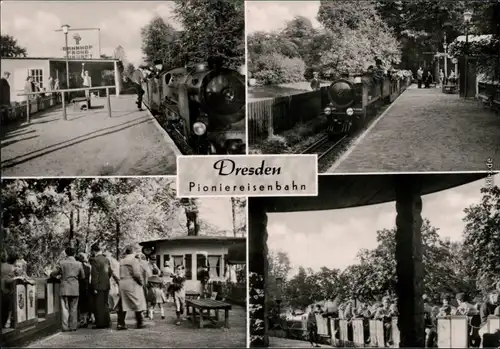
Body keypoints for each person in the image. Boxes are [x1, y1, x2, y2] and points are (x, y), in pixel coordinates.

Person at [50, 246, 85, 332]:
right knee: (74, 308)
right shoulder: (79, 264)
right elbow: (83, 276)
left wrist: (58, 277)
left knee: (65, 308)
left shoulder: (61, 263)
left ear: (66, 253)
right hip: (74, 288)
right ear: (74, 254)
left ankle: (65, 327)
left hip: (64, 287)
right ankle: (73, 326)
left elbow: (53, 274)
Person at [117, 246, 147, 330]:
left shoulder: (121, 261)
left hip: (123, 283)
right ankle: (140, 322)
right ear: (133, 252)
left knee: (123, 303)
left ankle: (120, 323)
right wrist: (141, 282)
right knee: (137, 301)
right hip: (132, 283)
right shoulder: (134, 261)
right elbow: (137, 274)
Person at [90, 244, 112, 329]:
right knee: (105, 304)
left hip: (99, 285)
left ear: (93, 251)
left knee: (98, 305)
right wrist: (106, 280)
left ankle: (100, 323)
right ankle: (107, 322)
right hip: (106, 284)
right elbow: (110, 272)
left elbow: (94, 275)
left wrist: (94, 287)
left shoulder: (95, 260)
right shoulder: (106, 259)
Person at [1, 253, 20, 328]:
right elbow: (9, 280)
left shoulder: (2, 265)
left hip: (2, 289)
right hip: (8, 289)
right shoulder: (12, 268)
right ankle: (8, 321)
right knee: (11, 304)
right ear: (14, 261)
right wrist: (17, 278)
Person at [76, 253, 91, 328]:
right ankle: (85, 320)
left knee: (78, 304)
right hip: (86, 287)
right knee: (85, 304)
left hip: (78, 287)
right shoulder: (88, 268)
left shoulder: (76, 267)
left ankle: (80, 320)